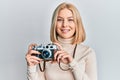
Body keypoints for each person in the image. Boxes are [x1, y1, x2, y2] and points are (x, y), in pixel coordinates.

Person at [25, 2, 97, 80]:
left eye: (70, 19)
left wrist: (72, 63)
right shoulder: (47, 52)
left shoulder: (87, 52)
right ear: (54, 24)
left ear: (77, 23)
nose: (65, 24)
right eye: (59, 20)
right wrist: (31, 68)